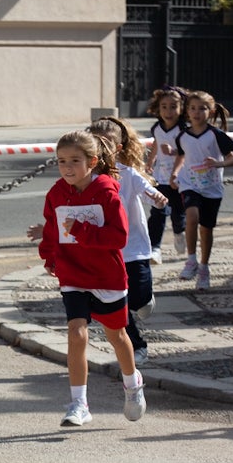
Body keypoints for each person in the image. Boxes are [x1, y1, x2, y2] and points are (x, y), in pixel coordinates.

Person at [38, 131, 146, 428]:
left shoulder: (107, 193)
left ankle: (132, 383)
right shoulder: (57, 193)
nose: (67, 167)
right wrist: (48, 256)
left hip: (107, 276)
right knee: (76, 332)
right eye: (61, 161)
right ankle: (79, 403)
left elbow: (119, 237)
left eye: (75, 160)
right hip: (72, 273)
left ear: (93, 162)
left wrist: (82, 230)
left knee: (117, 337)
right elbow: (51, 227)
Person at [89, 117, 168, 367]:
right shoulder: (87, 177)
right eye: (96, 142)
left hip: (133, 249)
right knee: (118, 303)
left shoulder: (129, 174)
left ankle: (144, 301)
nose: (102, 147)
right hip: (105, 251)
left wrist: (156, 198)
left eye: (107, 143)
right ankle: (137, 346)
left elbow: (148, 192)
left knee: (139, 298)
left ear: (118, 147)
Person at [173, 90, 233, 292]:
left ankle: (204, 267)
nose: (197, 112)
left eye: (202, 108)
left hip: (212, 188)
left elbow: (232, 159)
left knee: (206, 228)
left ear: (210, 111)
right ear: (187, 112)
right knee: (191, 217)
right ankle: (191, 260)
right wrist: (174, 174)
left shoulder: (215, 135)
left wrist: (217, 163)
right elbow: (181, 157)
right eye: (192, 108)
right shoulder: (183, 135)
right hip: (189, 184)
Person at [144, 86, 188, 261]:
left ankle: (179, 232)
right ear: (158, 108)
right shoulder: (157, 127)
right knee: (158, 211)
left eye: (173, 106)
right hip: (161, 177)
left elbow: (187, 152)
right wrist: (150, 161)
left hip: (181, 179)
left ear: (181, 108)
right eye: (164, 106)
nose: (168, 111)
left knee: (178, 213)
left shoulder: (184, 129)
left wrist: (173, 152)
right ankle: (154, 248)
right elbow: (157, 142)